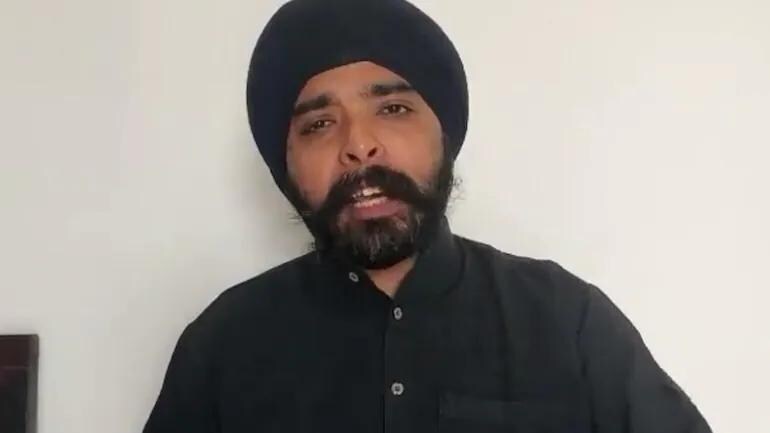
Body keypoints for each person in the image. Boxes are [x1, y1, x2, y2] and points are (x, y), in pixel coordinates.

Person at [144, 0, 712, 432]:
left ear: (444, 135)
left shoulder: (568, 321)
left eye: (392, 108)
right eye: (319, 124)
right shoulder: (223, 347)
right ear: (285, 166)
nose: (359, 145)